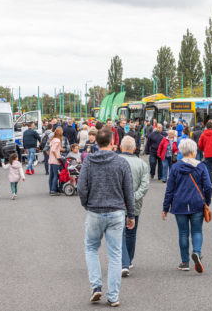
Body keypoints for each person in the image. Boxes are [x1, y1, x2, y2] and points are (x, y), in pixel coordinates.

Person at [77, 129, 135, 307]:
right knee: (115, 254)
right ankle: (113, 296)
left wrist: (87, 204)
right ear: (111, 143)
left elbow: (81, 187)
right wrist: (131, 214)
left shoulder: (89, 162)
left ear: (96, 143)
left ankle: (96, 287)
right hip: (116, 212)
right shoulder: (121, 162)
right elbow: (128, 191)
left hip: (95, 210)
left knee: (91, 248)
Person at [162, 139, 212, 273]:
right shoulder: (201, 166)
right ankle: (196, 252)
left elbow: (170, 189)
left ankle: (185, 262)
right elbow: (207, 186)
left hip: (179, 204)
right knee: (197, 231)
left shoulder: (175, 167)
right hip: (197, 202)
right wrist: (207, 201)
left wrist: (165, 207)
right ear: (192, 151)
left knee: (183, 232)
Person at [119, 136, 150, 277]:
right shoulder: (142, 164)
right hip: (135, 203)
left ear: (121, 147)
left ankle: (123, 261)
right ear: (133, 148)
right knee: (131, 232)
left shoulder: (116, 161)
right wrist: (133, 198)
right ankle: (129, 260)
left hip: (117, 203)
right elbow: (145, 186)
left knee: (120, 233)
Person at [48, 127, 63, 196]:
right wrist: (57, 156)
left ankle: (51, 189)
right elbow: (53, 150)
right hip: (55, 160)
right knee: (56, 176)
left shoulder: (53, 140)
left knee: (51, 175)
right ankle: (53, 190)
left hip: (51, 159)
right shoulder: (57, 140)